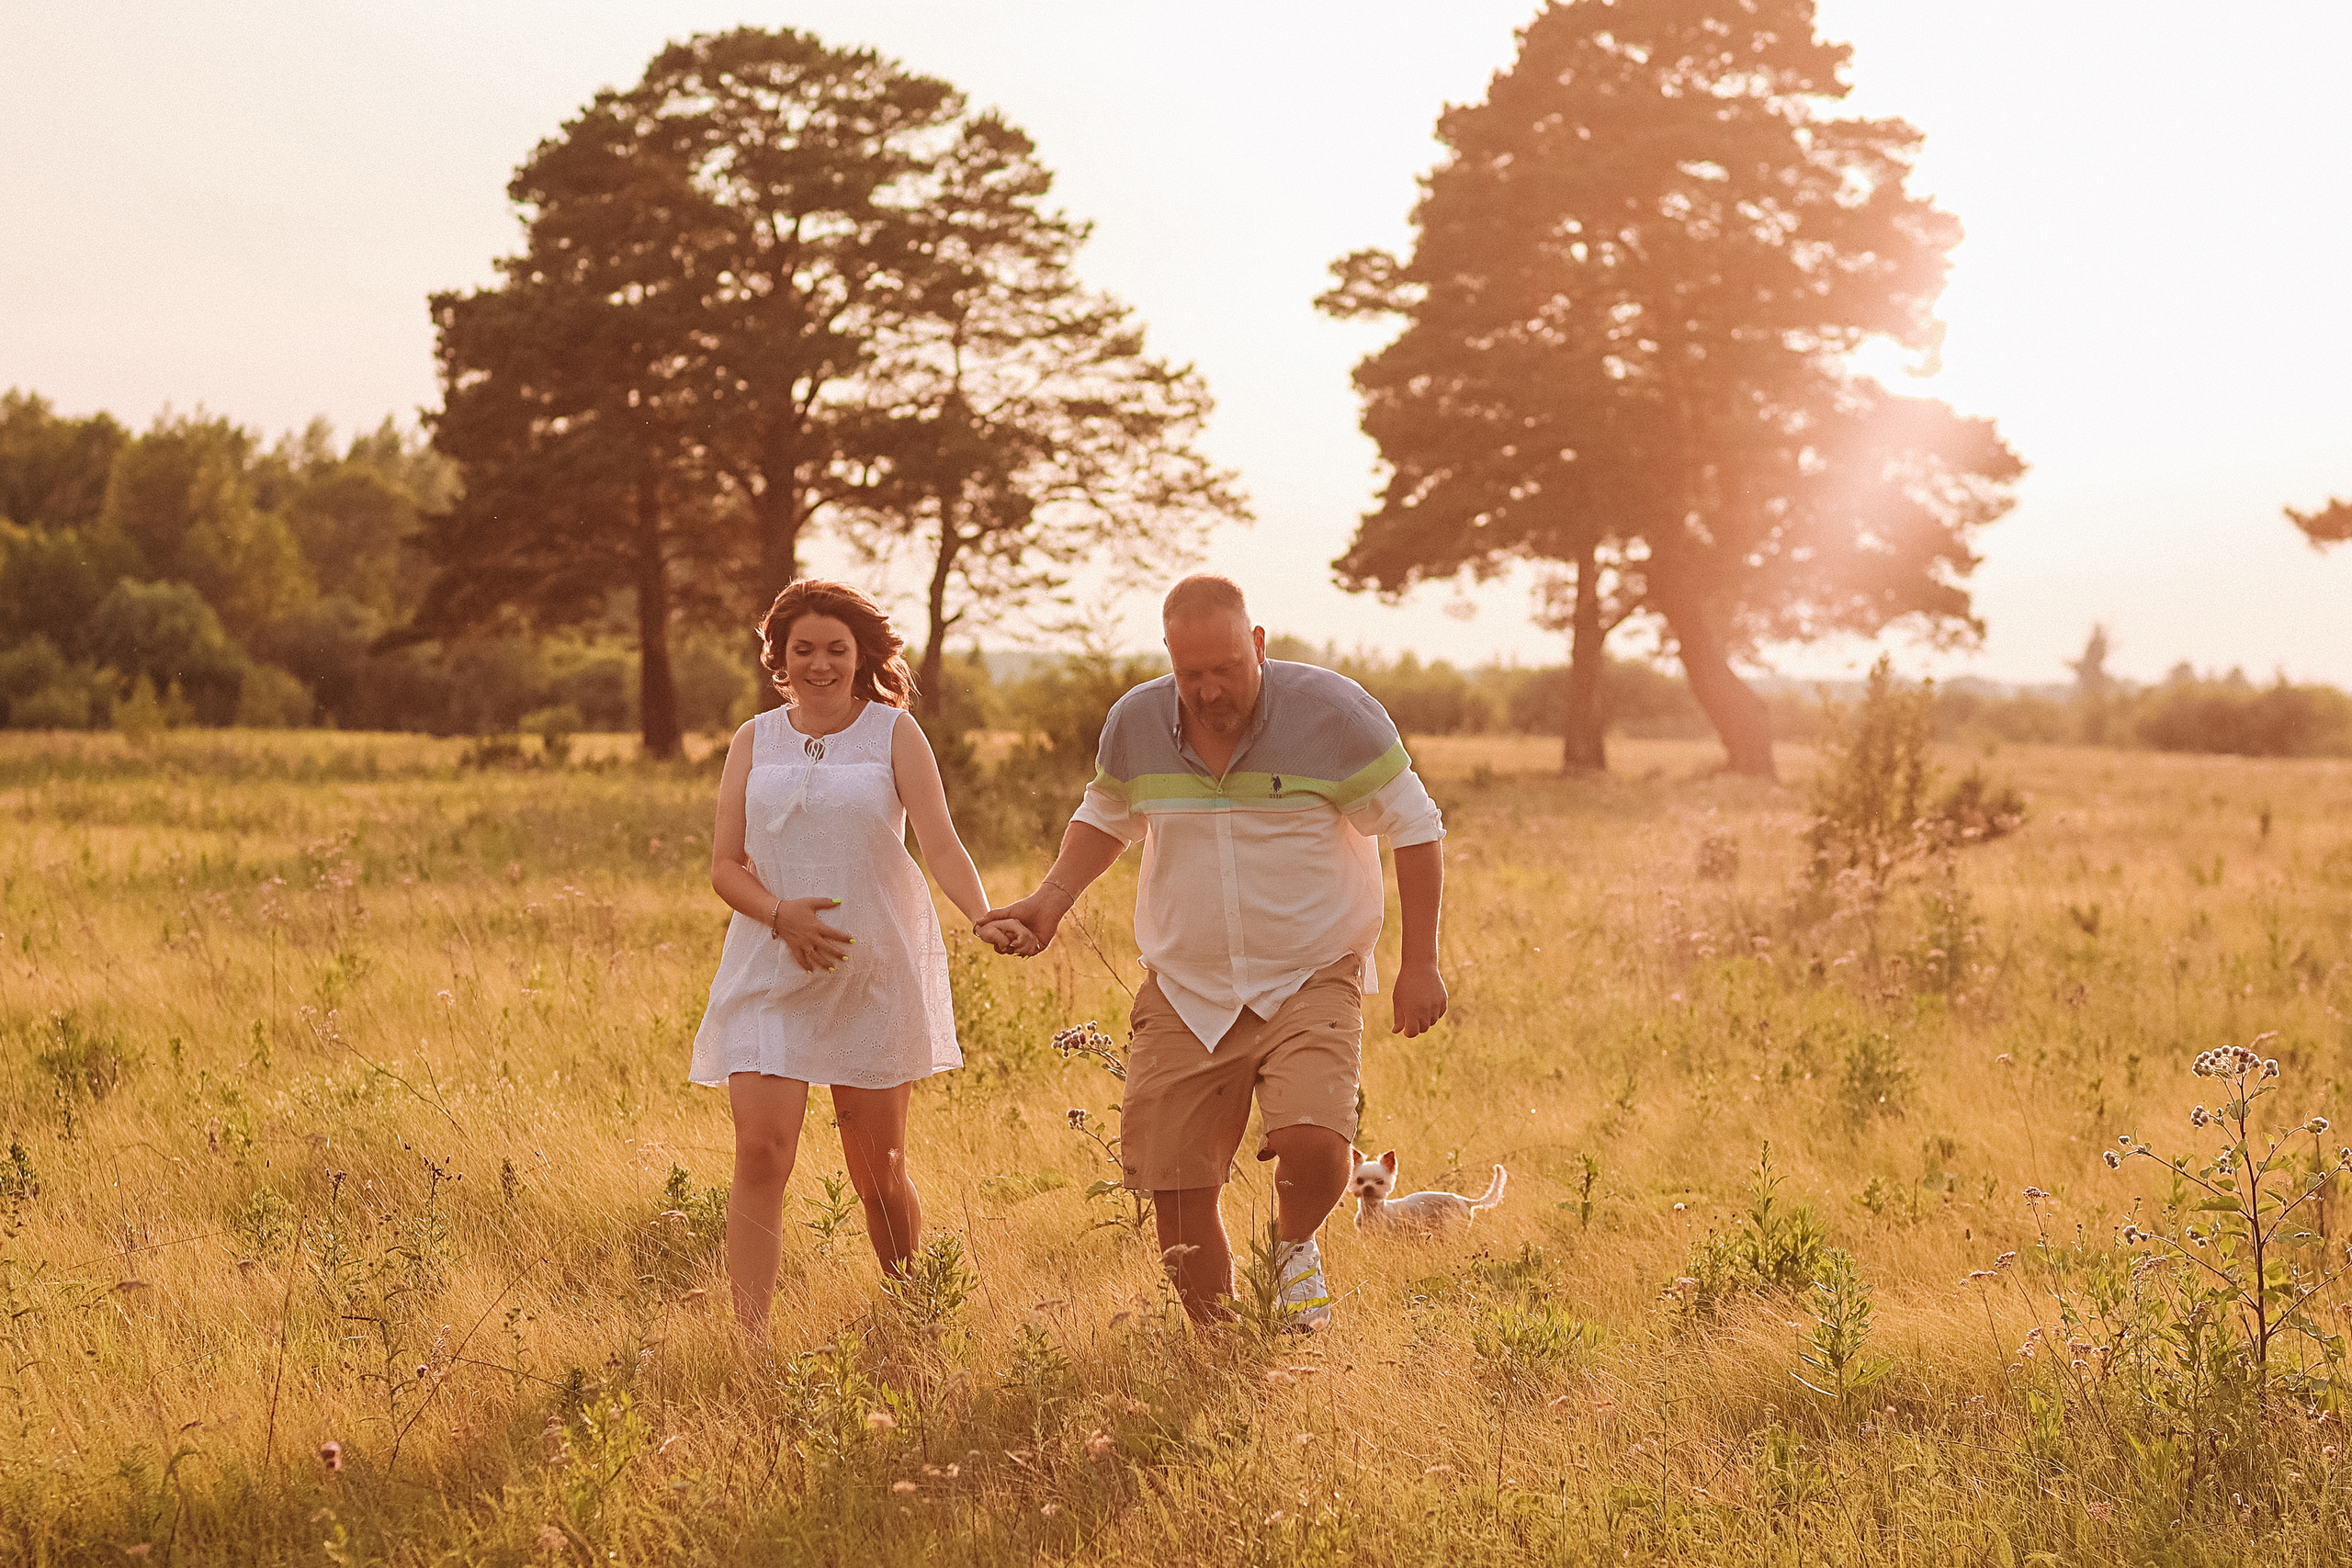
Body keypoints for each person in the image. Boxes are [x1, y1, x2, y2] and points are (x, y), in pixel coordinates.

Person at [987, 574, 1448, 1329]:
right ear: (1169, 658)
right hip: (1186, 982)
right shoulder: (1135, 723)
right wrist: (1048, 902)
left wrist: (1420, 961)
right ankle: (1223, 1341)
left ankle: (1293, 1245)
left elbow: (1417, 825)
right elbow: (1105, 816)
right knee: (1173, 1183)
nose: (1206, 690)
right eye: (1189, 672)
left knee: (1313, 1141)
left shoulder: (1336, 715)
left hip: (1310, 968)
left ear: (1257, 644)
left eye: (1225, 668)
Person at [691, 580, 1035, 1339]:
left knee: (876, 1174)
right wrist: (781, 915)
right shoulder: (754, 739)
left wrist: (981, 915)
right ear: (778, 656)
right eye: (803, 649)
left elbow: (940, 840)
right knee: (760, 1149)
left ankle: (913, 1312)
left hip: (870, 974)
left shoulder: (893, 734)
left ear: (860, 655)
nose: (819, 663)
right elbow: (723, 865)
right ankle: (749, 1342)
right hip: (769, 968)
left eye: (835, 649)